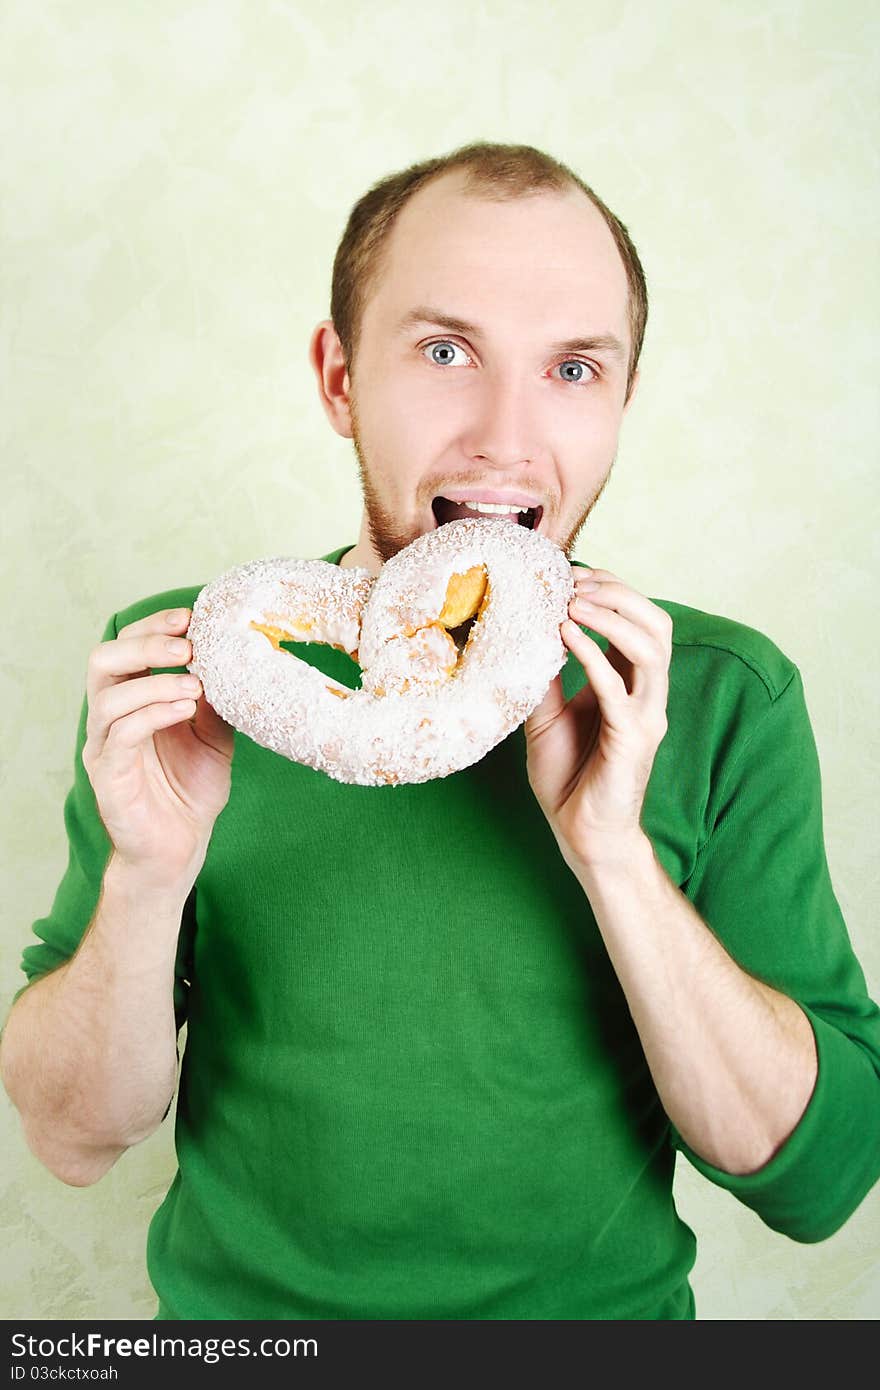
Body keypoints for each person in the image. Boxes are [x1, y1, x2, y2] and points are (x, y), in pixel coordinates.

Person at [2, 142, 878, 1322]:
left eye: (573, 367)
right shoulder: (190, 677)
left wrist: (613, 855)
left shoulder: (720, 693)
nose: (506, 439)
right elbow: (70, 1136)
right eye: (445, 350)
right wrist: (150, 875)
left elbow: (819, 1182)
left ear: (623, 399)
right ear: (338, 377)